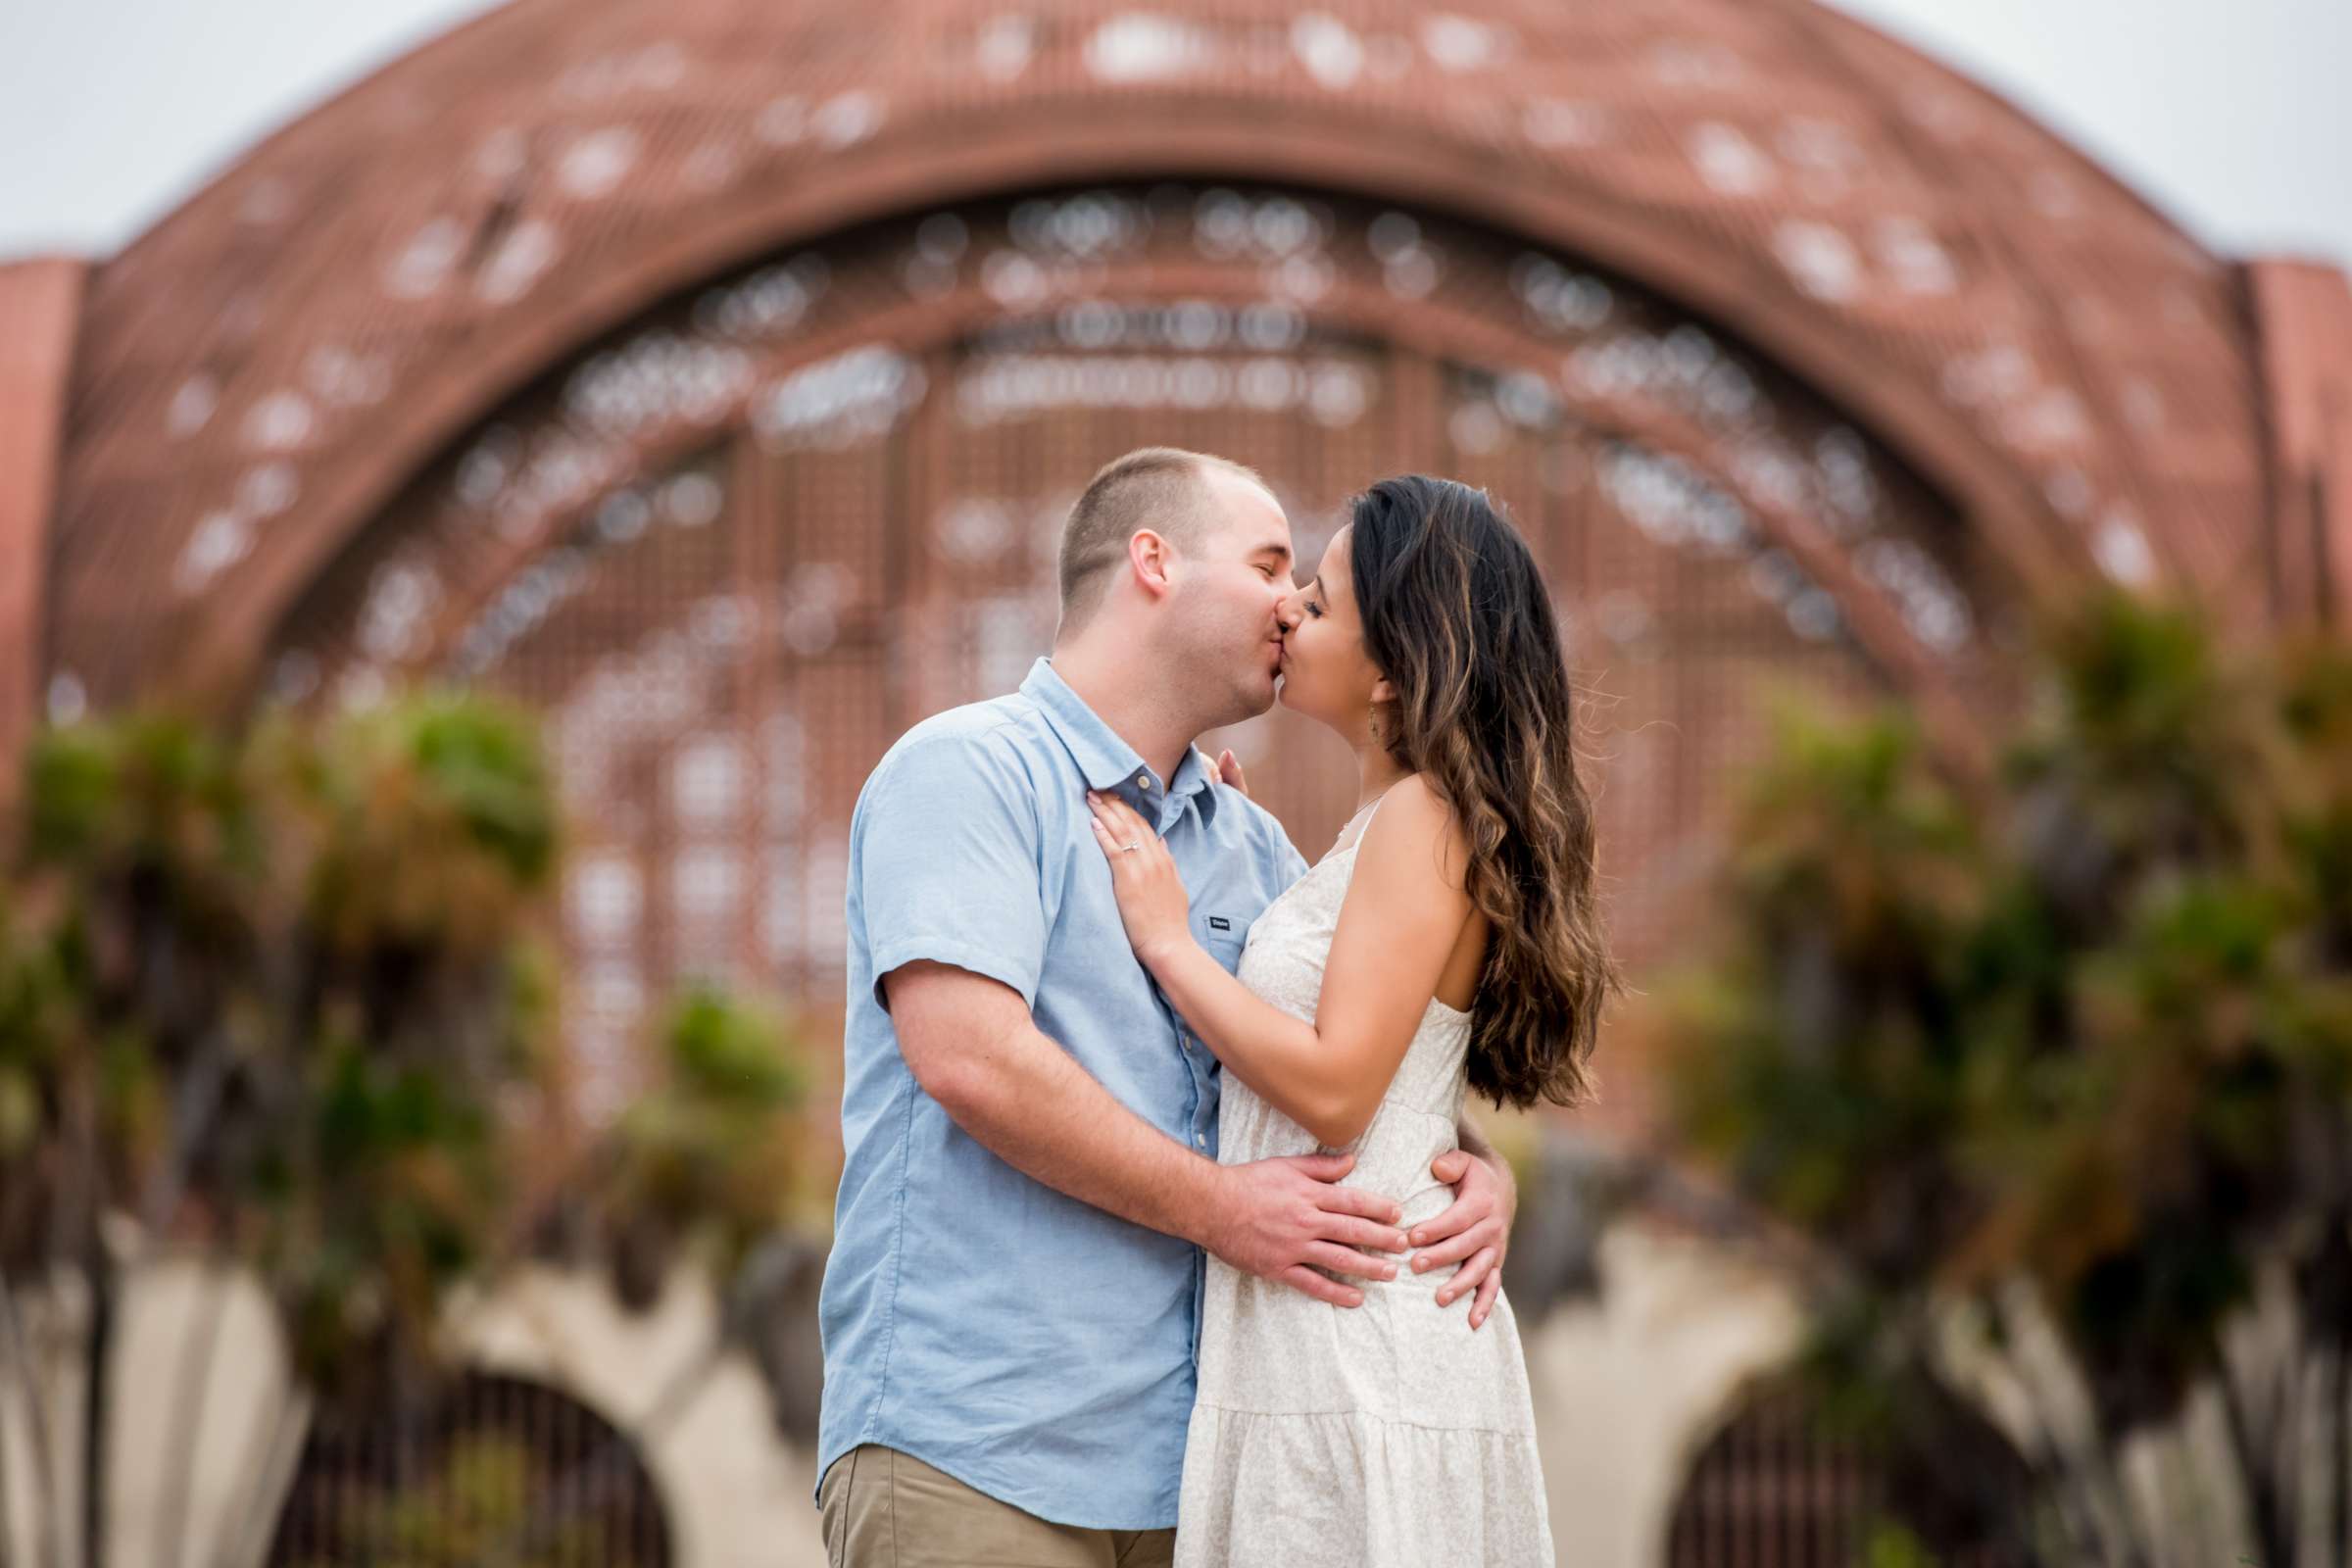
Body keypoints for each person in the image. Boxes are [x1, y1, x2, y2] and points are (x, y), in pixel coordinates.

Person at [815, 449, 1524, 1566]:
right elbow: (968, 1058)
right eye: (1270, 562)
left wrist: (1473, 1166)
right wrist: (1223, 1210)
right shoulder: (969, 771)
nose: (1293, 603)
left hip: (1200, 1482)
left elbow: (1345, 1059)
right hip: (980, 1453)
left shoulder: (1256, 847)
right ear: (1153, 561)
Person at [1082, 473, 1620, 1566]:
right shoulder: (1383, 825)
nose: (1288, 612)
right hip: (1326, 1330)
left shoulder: (1421, 817)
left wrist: (1171, 939)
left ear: (1391, 673)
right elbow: (1404, 1066)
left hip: (1354, 1344)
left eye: (1319, 603)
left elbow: (1338, 1089)